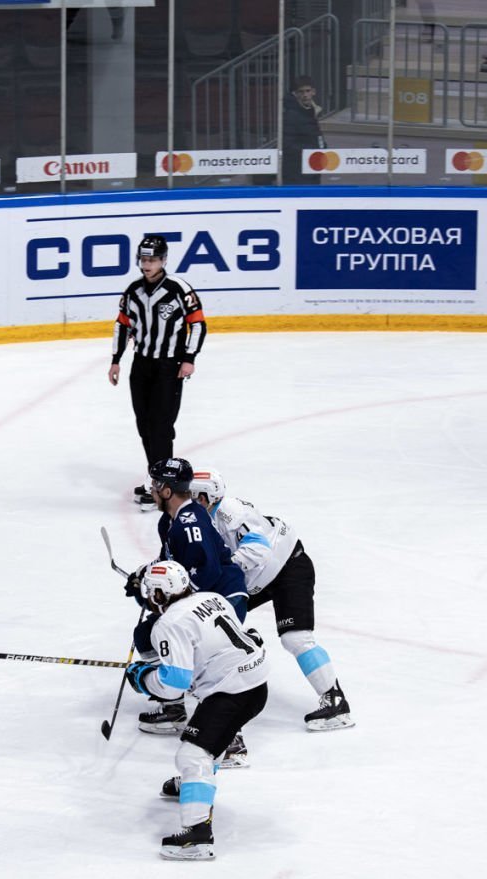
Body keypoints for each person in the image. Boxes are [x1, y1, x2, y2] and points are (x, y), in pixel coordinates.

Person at [124, 560, 269, 860]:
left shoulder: (169, 623)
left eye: (151, 592)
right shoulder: (212, 597)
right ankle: (195, 785)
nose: (148, 598)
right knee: (209, 739)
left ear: (161, 594)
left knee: (192, 755)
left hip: (232, 691)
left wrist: (142, 679)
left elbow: (174, 685)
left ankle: (197, 835)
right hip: (256, 682)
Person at [189, 468, 352, 731]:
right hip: (257, 578)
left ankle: (336, 702)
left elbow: (258, 550)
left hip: (288, 567)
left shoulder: (230, 513)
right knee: (210, 622)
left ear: (205, 496)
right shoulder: (204, 516)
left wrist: (223, 570)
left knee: (295, 638)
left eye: (192, 495)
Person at [123, 456, 250, 744]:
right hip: (205, 594)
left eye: (156, 485)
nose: (151, 489)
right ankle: (174, 706)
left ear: (167, 490)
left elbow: (206, 573)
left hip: (223, 597)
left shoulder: (189, 525)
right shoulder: (171, 520)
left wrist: (161, 601)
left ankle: (229, 736)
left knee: (206, 658)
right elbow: (171, 562)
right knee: (147, 635)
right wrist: (144, 576)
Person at [107, 236, 206, 510]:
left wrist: (189, 358)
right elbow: (122, 325)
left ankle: (166, 487)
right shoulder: (133, 291)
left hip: (169, 367)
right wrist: (116, 360)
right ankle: (157, 479)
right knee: (145, 426)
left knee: (162, 427)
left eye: (152, 259)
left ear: (163, 260)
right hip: (141, 366)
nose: (147, 264)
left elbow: (198, 324)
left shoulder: (179, 289)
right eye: (143, 259)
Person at [280, 75, 326, 185]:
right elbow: (288, 145)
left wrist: (322, 147)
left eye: (307, 91)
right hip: (297, 171)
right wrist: (313, 151)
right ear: (295, 94)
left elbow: (315, 135)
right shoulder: (291, 115)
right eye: (301, 92)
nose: (305, 95)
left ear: (313, 92)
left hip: (311, 167)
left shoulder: (311, 111)